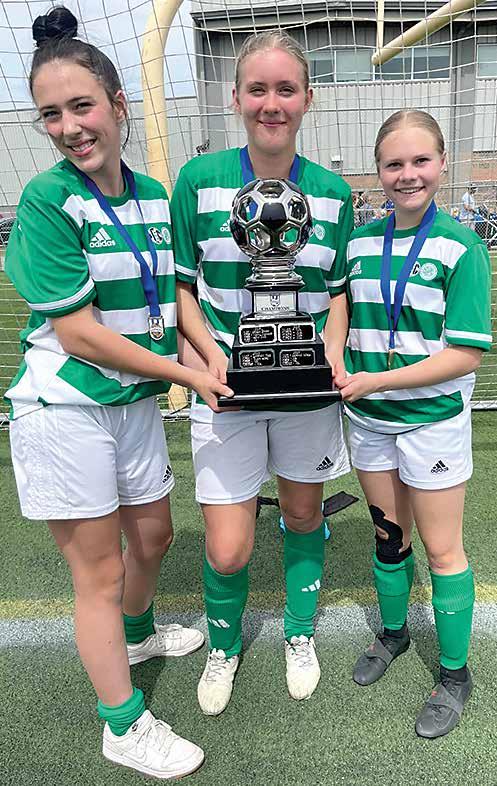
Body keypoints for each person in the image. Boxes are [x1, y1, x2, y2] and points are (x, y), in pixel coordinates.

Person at [5, 7, 233, 780]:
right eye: (52, 114)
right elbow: (79, 335)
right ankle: (123, 726)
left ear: (117, 104)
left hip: (131, 405)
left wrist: (214, 352)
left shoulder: (154, 194)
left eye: (82, 106)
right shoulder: (47, 201)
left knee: (155, 537)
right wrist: (189, 376)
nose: (69, 127)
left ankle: (137, 636)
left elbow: (175, 297)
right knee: (98, 574)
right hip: (66, 409)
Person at [171, 30, 352, 715]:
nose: (270, 103)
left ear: (307, 98)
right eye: (257, 89)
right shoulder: (198, 180)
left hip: (305, 391)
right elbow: (182, 286)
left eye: (285, 89)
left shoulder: (332, 192)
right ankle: (223, 645)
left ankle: (299, 633)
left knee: (303, 515)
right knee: (226, 549)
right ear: (235, 97)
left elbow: (337, 292)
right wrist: (207, 357)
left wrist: (330, 352)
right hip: (226, 386)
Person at [331, 110, 491, 738]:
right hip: (369, 419)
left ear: (442, 163)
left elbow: (465, 354)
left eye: (420, 161)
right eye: (394, 163)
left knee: (442, 549)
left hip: (430, 422)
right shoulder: (360, 242)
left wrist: (377, 380)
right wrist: (338, 357)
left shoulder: (461, 246)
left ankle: (454, 674)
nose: (408, 174)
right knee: (387, 536)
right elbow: (342, 308)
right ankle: (395, 634)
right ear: (378, 170)